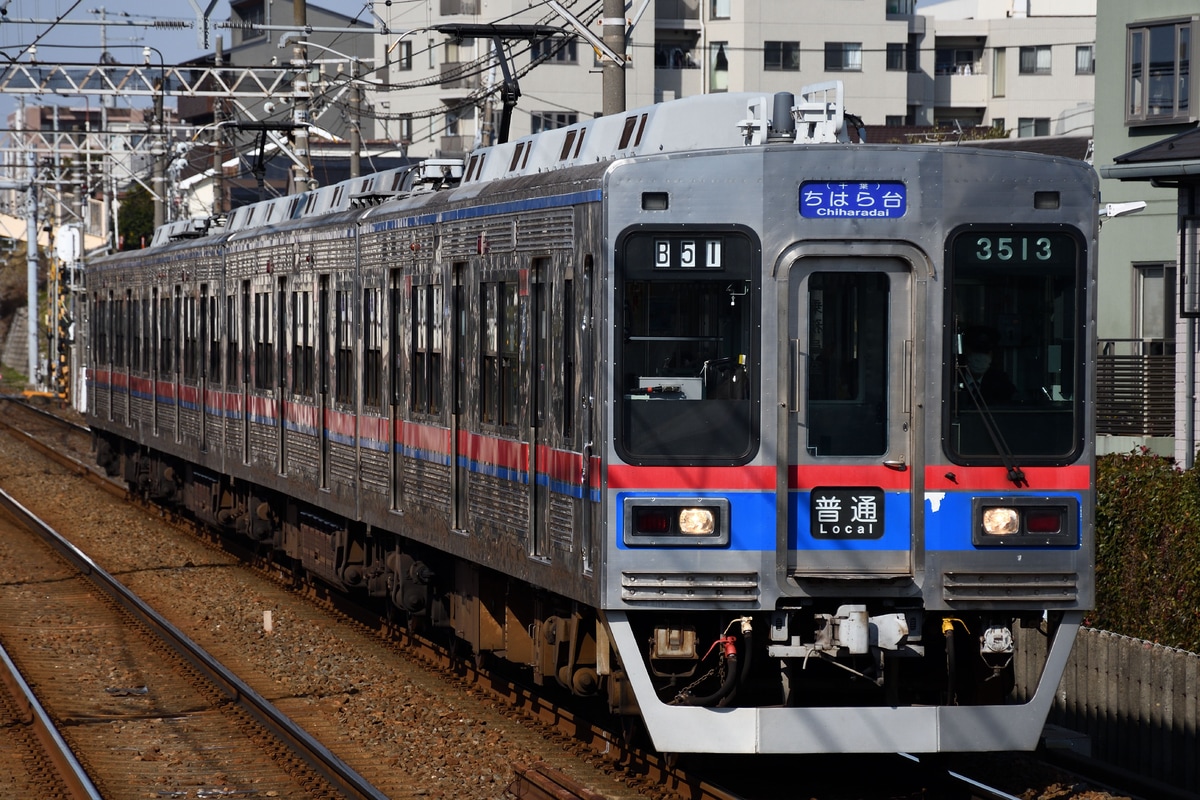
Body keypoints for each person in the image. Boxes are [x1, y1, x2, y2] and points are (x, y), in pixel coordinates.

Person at [961, 326, 1017, 404]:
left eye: (985, 351)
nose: (980, 356)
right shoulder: (952, 378)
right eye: (976, 349)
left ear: (992, 354)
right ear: (966, 350)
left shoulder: (1001, 382)